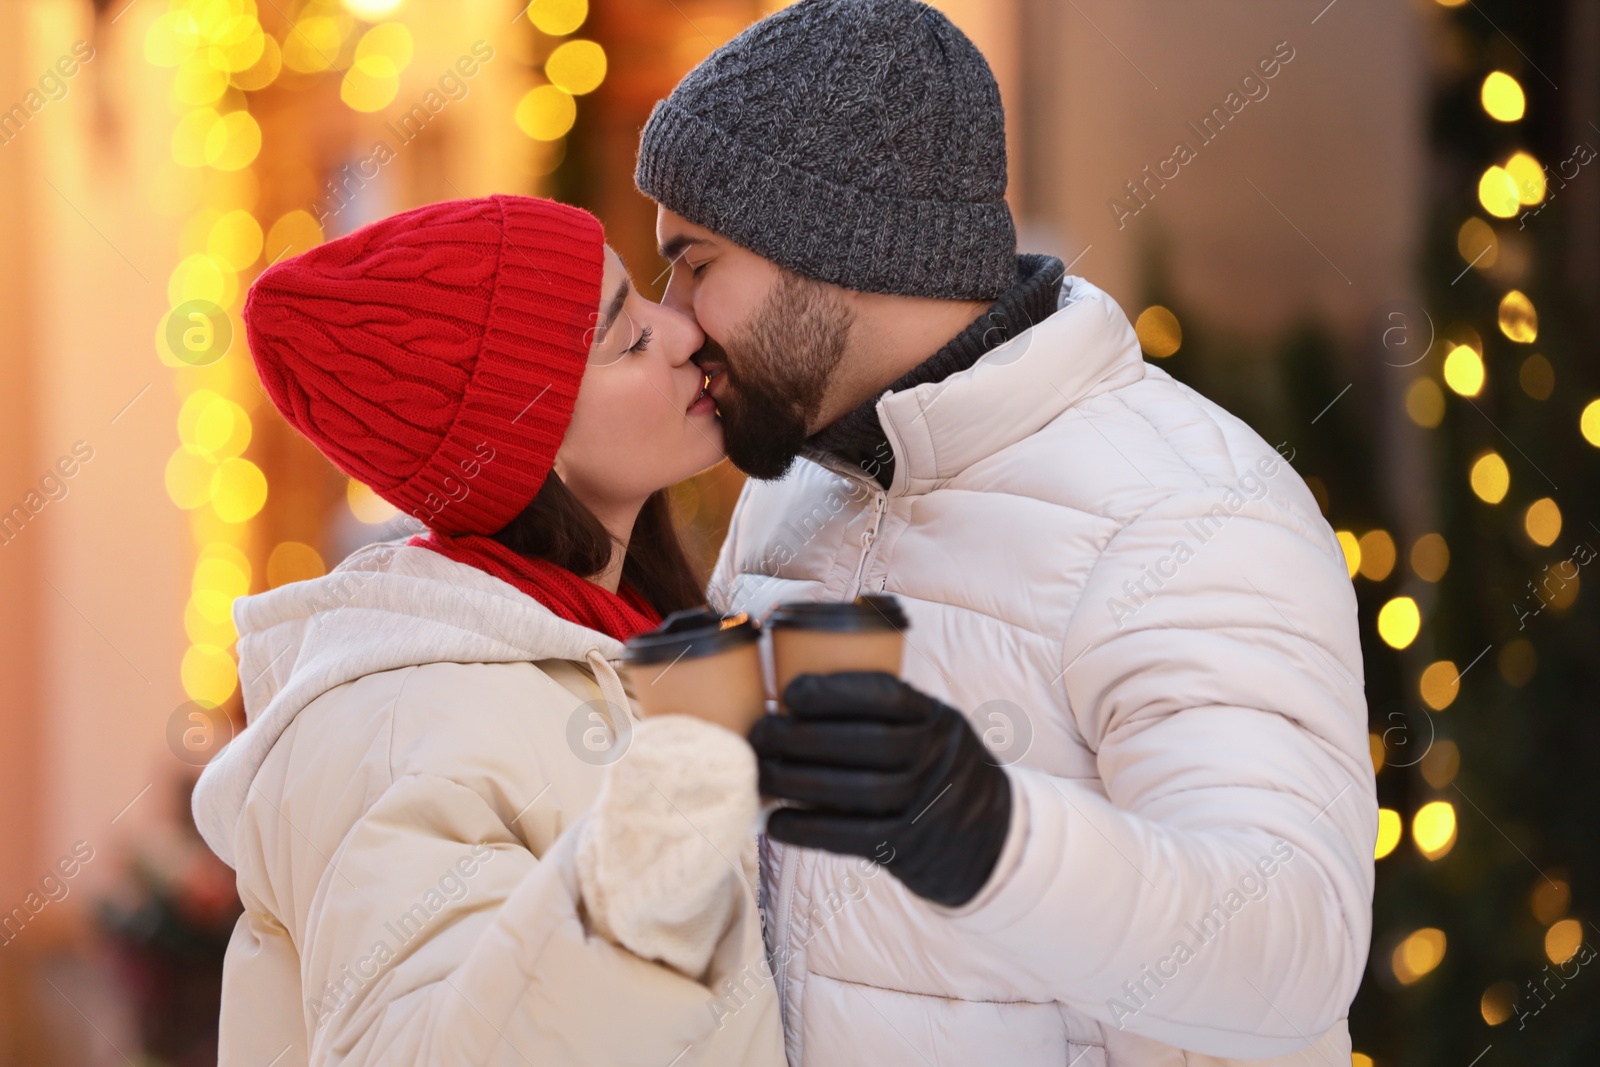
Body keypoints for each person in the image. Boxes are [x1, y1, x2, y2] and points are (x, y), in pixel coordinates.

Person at [634, 0, 1377, 1063]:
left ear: (830, 243)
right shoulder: (793, 492)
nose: (674, 319)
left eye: (695, 263)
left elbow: (1292, 946)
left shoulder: (1188, 509)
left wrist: (989, 831)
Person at [190, 195, 785, 1066]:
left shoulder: (618, 644)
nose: (685, 331)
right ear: (525, 449)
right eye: (627, 338)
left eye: (647, 296)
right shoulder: (405, 726)